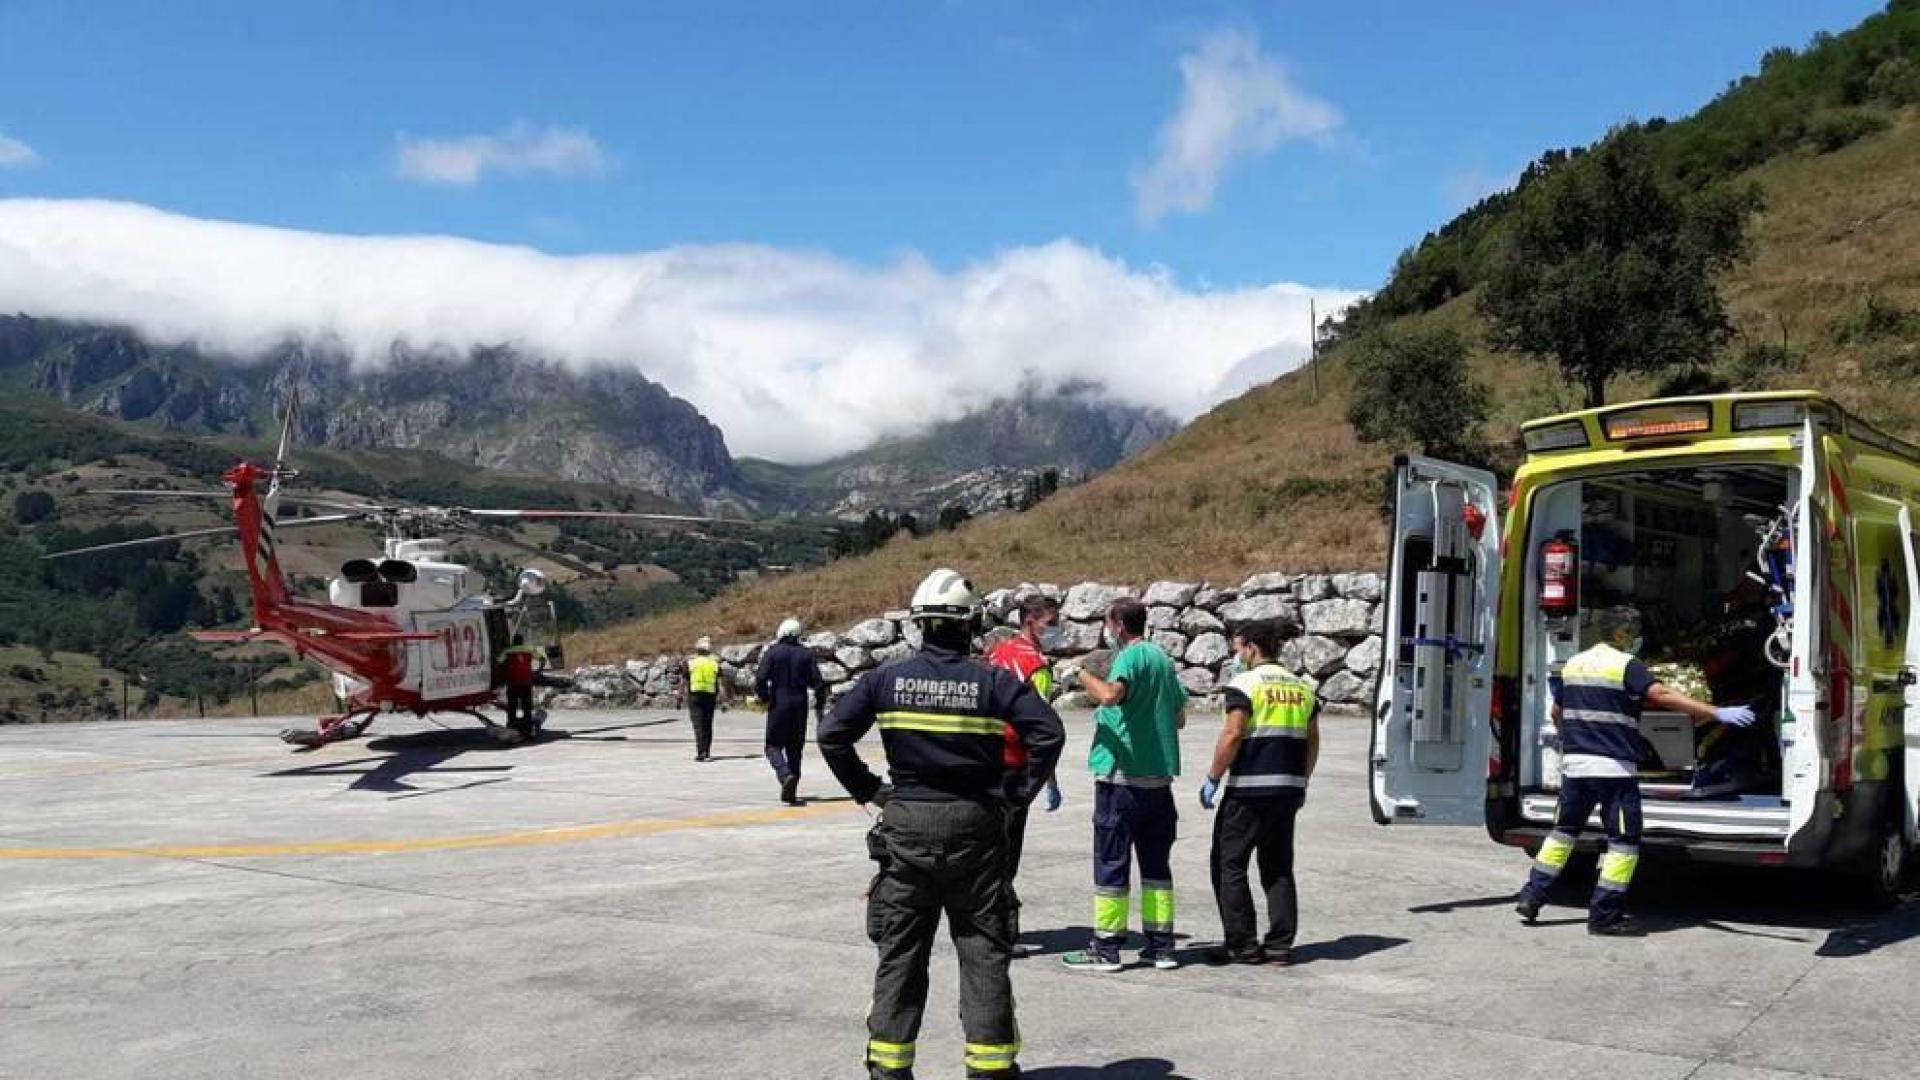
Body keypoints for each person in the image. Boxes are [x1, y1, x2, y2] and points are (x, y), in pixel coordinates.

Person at [820, 568, 1065, 1080]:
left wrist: (869, 790)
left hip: (906, 826)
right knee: (983, 952)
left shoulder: (885, 680)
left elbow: (832, 736)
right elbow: (1048, 732)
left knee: (901, 953)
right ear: (969, 624)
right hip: (976, 827)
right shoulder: (992, 680)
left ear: (920, 626)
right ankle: (991, 1069)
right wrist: (1015, 794)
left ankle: (888, 1069)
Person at [1517, 606, 1756, 935]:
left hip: (1575, 767)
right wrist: (1715, 712)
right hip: (1613, 770)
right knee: (1624, 843)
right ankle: (1604, 917)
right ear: (1622, 634)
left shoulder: (1574, 664)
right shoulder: (1626, 665)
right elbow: (1661, 693)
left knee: (1564, 832)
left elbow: (1558, 712)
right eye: (1634, 631)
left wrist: (1575, 739)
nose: (1637, 638)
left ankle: (1531, 896)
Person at [1062, 597, 1189, 973]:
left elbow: (1109, 695)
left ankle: (1106, 947)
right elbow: (1179, 717)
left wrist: (1078, 674)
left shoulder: (1130, 658)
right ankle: (1162, 946)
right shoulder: (1163, 661)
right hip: (1158, 781)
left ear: (1117, 625)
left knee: (1112, 863)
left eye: (1107, 624)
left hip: (1122, 780)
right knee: (1156, 867)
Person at [1198, 620, 1319, 966]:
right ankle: (1280, 945)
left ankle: (1242, 944)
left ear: (1251, 648)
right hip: (1288, 790)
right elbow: (1312, 740)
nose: (1236, 656)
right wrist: (1302, 780)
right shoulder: (1302, 687)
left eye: (1238, 649)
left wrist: (1213, 777)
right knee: (1278, 866)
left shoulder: (1245, 684)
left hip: (1249, 790)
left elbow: (1233, 734)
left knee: (1229, 863)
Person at [984, 594, 1066, 952]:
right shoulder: (1035, 666)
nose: (1056, 630)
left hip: (984, 758)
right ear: (1030, 622)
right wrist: (1049, 779)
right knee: (1007, 849)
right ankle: (1000, 930)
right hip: (1014, 763)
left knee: (986, 846)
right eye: (1051, 623)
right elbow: (1043, 728)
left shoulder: (998, 652)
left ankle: (983, 920)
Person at [756, 617, 827, 804]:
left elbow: (760, 679)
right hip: (799, 704)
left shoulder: (773, 653)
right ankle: (791, 788)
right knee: (795, 748)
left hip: (779, 703)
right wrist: (819, 707)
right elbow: (819, 684)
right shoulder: (806, 654)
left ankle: (784, 773)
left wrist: (764, 698)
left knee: (773, 745)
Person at [680, 636, 729, 762]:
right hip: (710, 696)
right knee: (707, 724)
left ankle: (701, 752)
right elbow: (721, 684)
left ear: (697, 649)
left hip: (695, 696)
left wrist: (679, 697)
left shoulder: (690, 663)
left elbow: (684, 682)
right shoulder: (714, 663)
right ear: (709, 650)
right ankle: (706, 751)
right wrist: (724, 701)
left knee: (698, 725)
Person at [497, 632, 542, 742]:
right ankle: (528, 728)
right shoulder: (529, 649)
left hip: (512, 683)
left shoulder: (507, 651)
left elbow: (498, 661)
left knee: (512, 707)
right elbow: (542, 659)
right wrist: (538, 670)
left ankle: (511, 726)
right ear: (522, 641)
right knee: (526, 707)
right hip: (526, 682)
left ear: (513, 641)